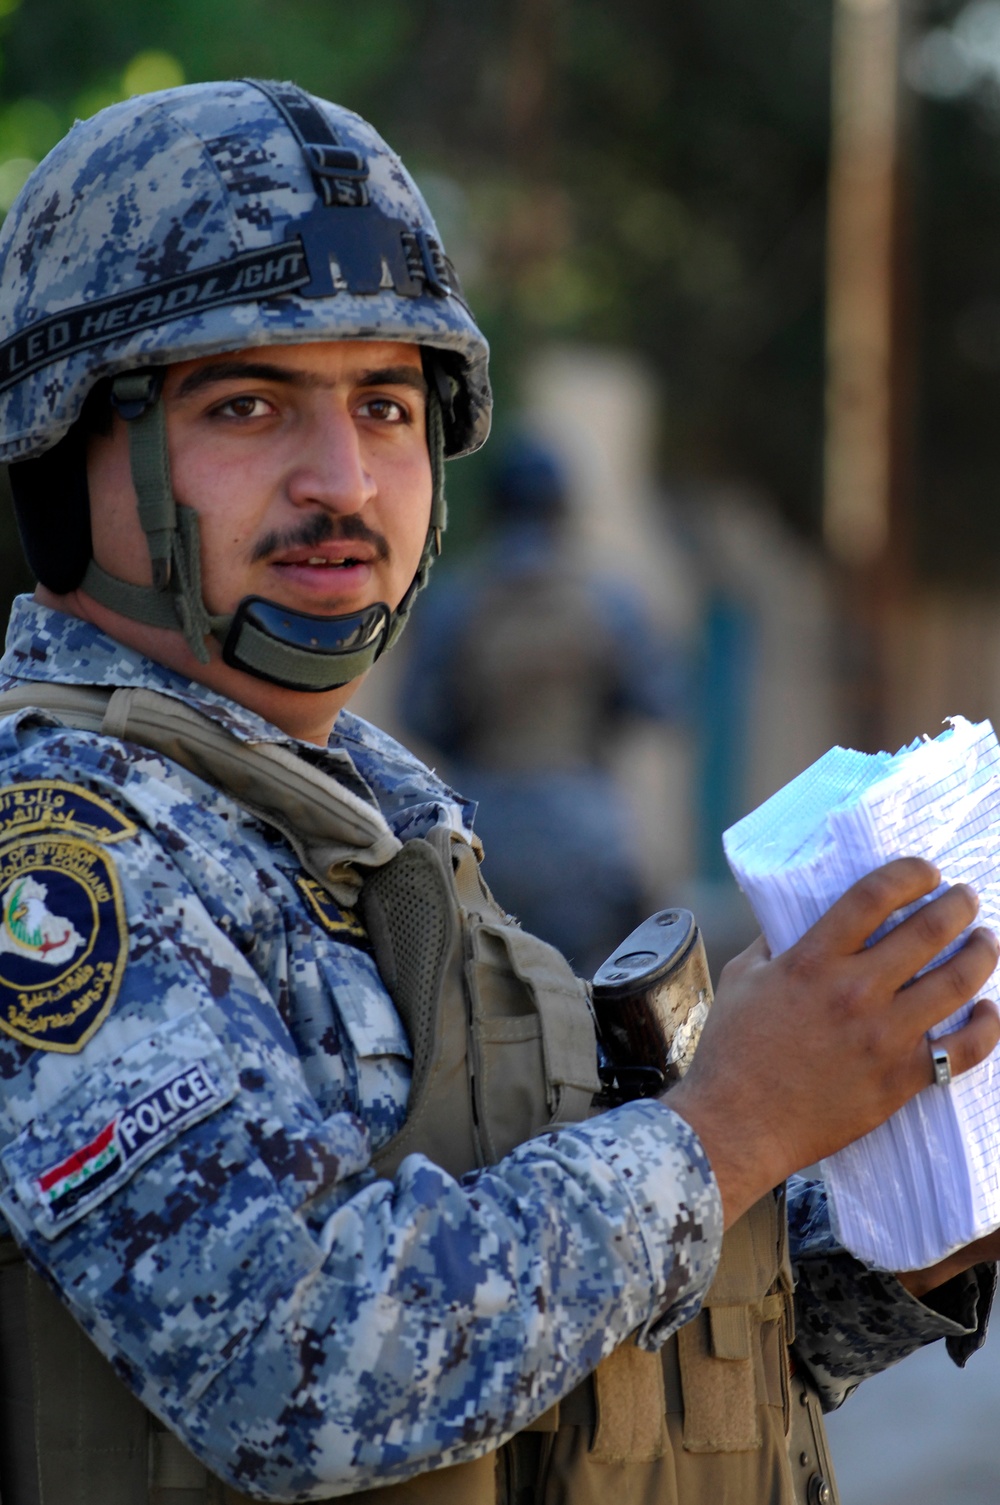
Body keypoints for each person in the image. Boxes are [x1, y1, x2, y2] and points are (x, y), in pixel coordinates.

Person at [0, 79, 997, 1505]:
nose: (342, 479)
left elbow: (571, 1371)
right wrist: (732, 1126)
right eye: (246, 405)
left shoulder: (376, 824)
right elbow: (287, 1372)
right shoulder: (58, 861)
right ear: (61, 458)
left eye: (387, 404)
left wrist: (898, 1234)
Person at [400, 433, 686, 975]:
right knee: (595, 1002)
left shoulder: (456, 597)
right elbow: (658, 703)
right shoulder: (610, 600)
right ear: (563, 509)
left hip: (481, 829)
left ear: (493, 507)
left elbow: (420, 712)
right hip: (587, 824)